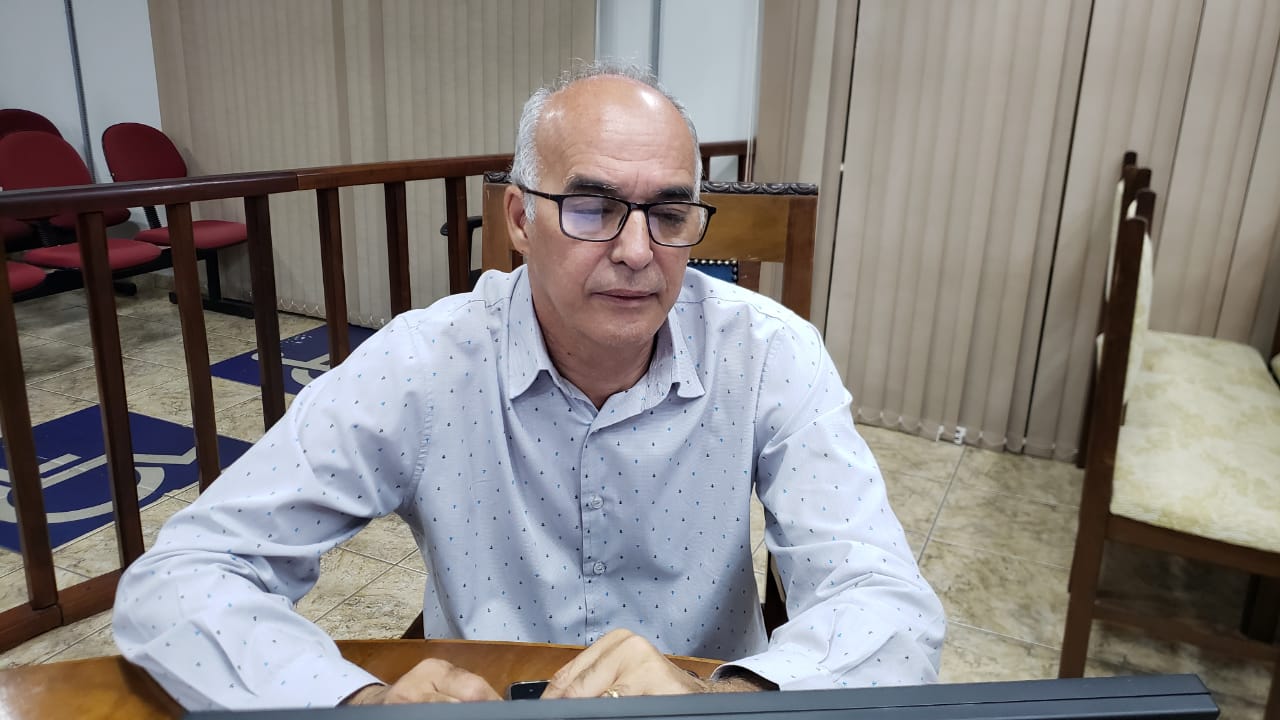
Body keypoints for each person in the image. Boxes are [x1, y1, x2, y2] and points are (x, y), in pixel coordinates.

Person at [113, 62, 945, 711]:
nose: (636, 251)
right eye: (592, 207)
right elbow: (181, 578)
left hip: (698, 701)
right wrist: (355, 699)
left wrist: (721, 697)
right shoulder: (424, 365)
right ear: (518, 219)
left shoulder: (768, 354)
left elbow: (888, 604)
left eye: (668, 214)